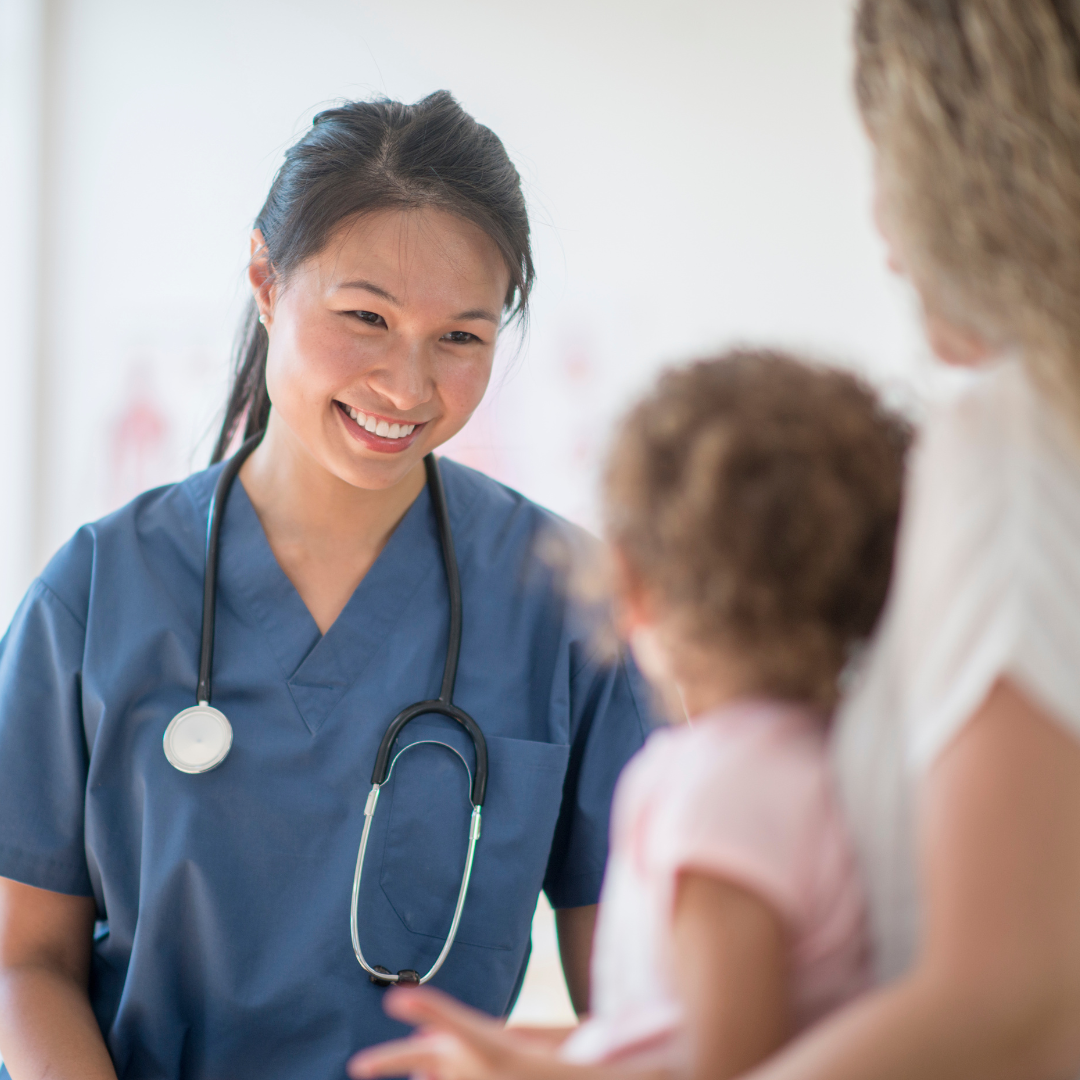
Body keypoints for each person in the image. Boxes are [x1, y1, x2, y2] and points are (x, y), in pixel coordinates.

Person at [0, 92, 650, 1080]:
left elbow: (638, 1008)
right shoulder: (95, 594)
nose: (407, 384)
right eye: (366, 319)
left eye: (461, 338)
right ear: (265, 278)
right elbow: (21, 961)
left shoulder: (570, 607)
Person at [349, 350, 912, 1080]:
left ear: (633, 587)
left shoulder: (719, 793)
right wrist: (540, 1050)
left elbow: (731, 1063)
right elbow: (695, 1032)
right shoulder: (847, 760)